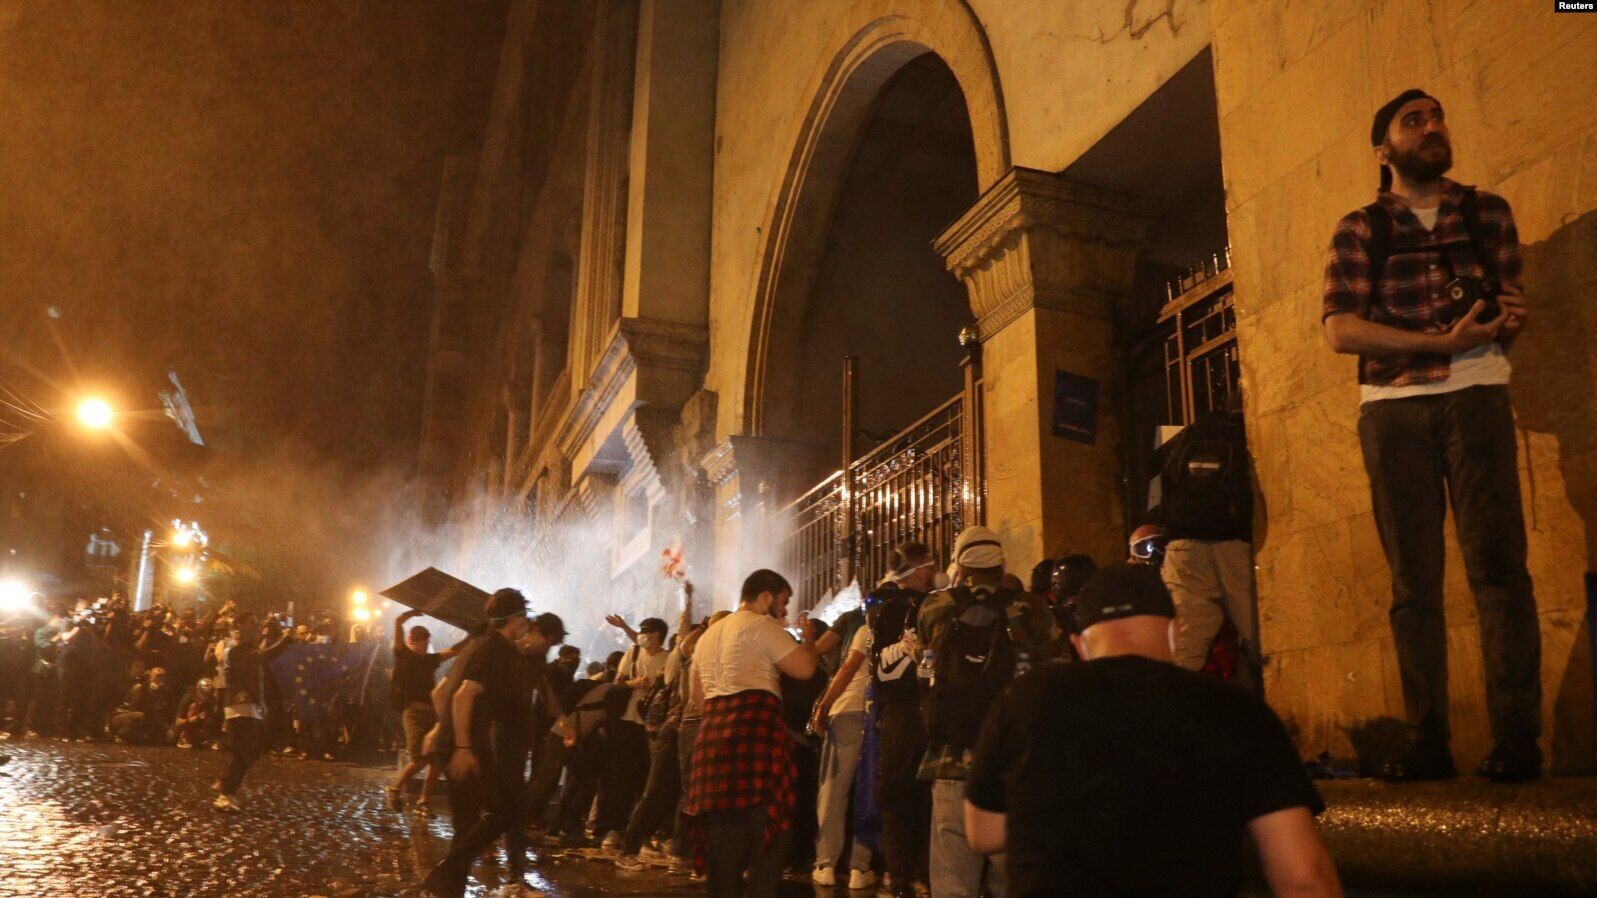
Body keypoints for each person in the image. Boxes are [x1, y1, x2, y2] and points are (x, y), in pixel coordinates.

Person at [1322, 89, 1540, 782]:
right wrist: (1435, 338)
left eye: (1437, 116)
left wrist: (1505, 316)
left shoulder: (1486, 212)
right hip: (1391, 408)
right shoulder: (1359, 228)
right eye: (1413, 121)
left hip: (1477, 395)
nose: (1431, 127)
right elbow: (1339, 329)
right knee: (1413, 582)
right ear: (1383, 150)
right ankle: (1427, 740)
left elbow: (1508, 302)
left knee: (1498, 571)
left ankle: (1515, 740)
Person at [963, 563, 1342, 898]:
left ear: (1080, 644)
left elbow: (982, 832)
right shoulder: (1237, 711)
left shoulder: (1023, 700)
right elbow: (1304, 878)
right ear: (1176, 632)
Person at [904, 526, 1054, 898]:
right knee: (1010, 875)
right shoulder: (1030, 607)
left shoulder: (935, 606)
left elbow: (926, 663)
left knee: (953, 875)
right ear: (1002, 563)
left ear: (960, 565)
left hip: (950, 756)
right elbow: (1053, 670)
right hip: (1012, 759)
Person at [420, 590, 566, 898]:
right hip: (468, 746)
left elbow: (442, 694)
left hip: (464, 742)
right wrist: (462, 747)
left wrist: (441, 728)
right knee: (506, 810)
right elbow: (461, 697)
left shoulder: (482, 644)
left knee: (467, 820)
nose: (527, 623)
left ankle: (448, 887)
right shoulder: (494, 651)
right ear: (513, 620)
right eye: (524, 617)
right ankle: (445, 875)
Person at [684, 570, 820, 898]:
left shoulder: (707, 637)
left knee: (723, 838)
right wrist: (809, 639)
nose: (785, 611)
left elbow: (698, 698)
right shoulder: (761, 626)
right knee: (772, 830)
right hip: (756, 731)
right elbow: (806, 669)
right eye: (783, 602)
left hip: (713, 737)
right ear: (764, 597)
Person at [1149, 398, 1261, 689]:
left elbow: (1162, 491)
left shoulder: (1187, 438)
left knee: (1183, 650)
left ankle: (1167, 717)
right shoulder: (1243, 432)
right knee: (1261, 637)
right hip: (1232, 545)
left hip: (1184, 549)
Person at [871, 543, 938, 898]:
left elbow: (876, 667)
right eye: (928, 565)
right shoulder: (933, 605)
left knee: (897, 793)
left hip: (896, 709)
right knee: (925, 792)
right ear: (917, 569)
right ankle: (924, 876)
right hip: (923, 706)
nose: (932, 571)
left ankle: (899, 876)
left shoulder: (883, 609)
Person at [808, 609, 876, 890]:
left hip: (847, 711)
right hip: (876, 717)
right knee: (867, 790)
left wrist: (824, 705)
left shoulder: (866, 630)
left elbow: (849, 668)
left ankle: (826, 863)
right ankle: (861, 867)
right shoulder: (907, 635)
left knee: (833, 790)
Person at [598, 615, 671, 848]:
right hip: (626, 722)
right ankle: (614, 829)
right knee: (621, 778)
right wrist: (635, 683)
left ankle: (639, 832)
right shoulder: (634, 653)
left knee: (645, 780)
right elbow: (617, 683)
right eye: (640, 630)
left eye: (646, 631)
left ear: (658, 635)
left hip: (650, 725)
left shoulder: (668, 659)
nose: (642, 634)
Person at [386, 609, 461, 813]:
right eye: (422, 641)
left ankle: (424, 802)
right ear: (413, 640)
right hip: (413, 714)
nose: (424, 645)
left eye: (426, 642)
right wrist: (413, 612)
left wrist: (474, 636)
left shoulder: (430, 660)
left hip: (432, 714)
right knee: (420, 758)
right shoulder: (403, 654)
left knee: (436, 761)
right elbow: (398, 620)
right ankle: (394, 788)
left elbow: (453, 651)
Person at [213, 612, 289, 811]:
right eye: (252, 623)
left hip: (250, 704)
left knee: (253, 749)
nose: (256, 627)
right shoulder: (236, 649)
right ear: (240, 625)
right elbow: (262, 656)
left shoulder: (249, 648)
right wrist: (285, 640)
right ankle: (226, 793)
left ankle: (226, 783)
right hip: (240, 704)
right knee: (245, 751)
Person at [109, 666, 177, 744]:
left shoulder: (164, 692)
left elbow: (165, 711)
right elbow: (133, 708)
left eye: (163, 677)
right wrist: (152, 695)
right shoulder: (140, 688)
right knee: (139, 715)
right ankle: (120, 735)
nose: (160, 680)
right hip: (124, 715)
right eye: (157, 677)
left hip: (143, 717)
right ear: (150, 677)